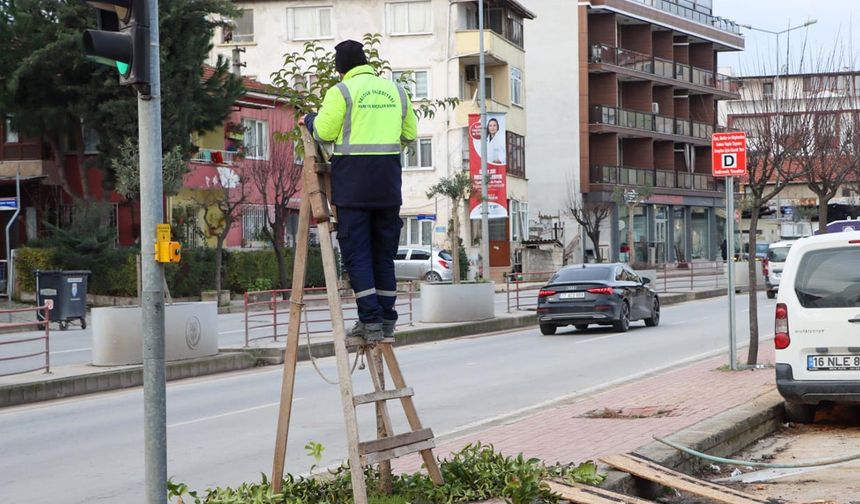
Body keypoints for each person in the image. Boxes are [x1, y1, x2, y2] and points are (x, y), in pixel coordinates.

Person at [303, 40, 418, 342]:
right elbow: (410, 134)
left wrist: (310, 120)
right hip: (388, 186)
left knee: (358, 256)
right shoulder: (396, 91)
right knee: (383, 255)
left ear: (340, 69)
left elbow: (325, 132)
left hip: (353, 186)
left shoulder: (341, 91)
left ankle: (370, 323)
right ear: (367, 62)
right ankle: (387, 321)